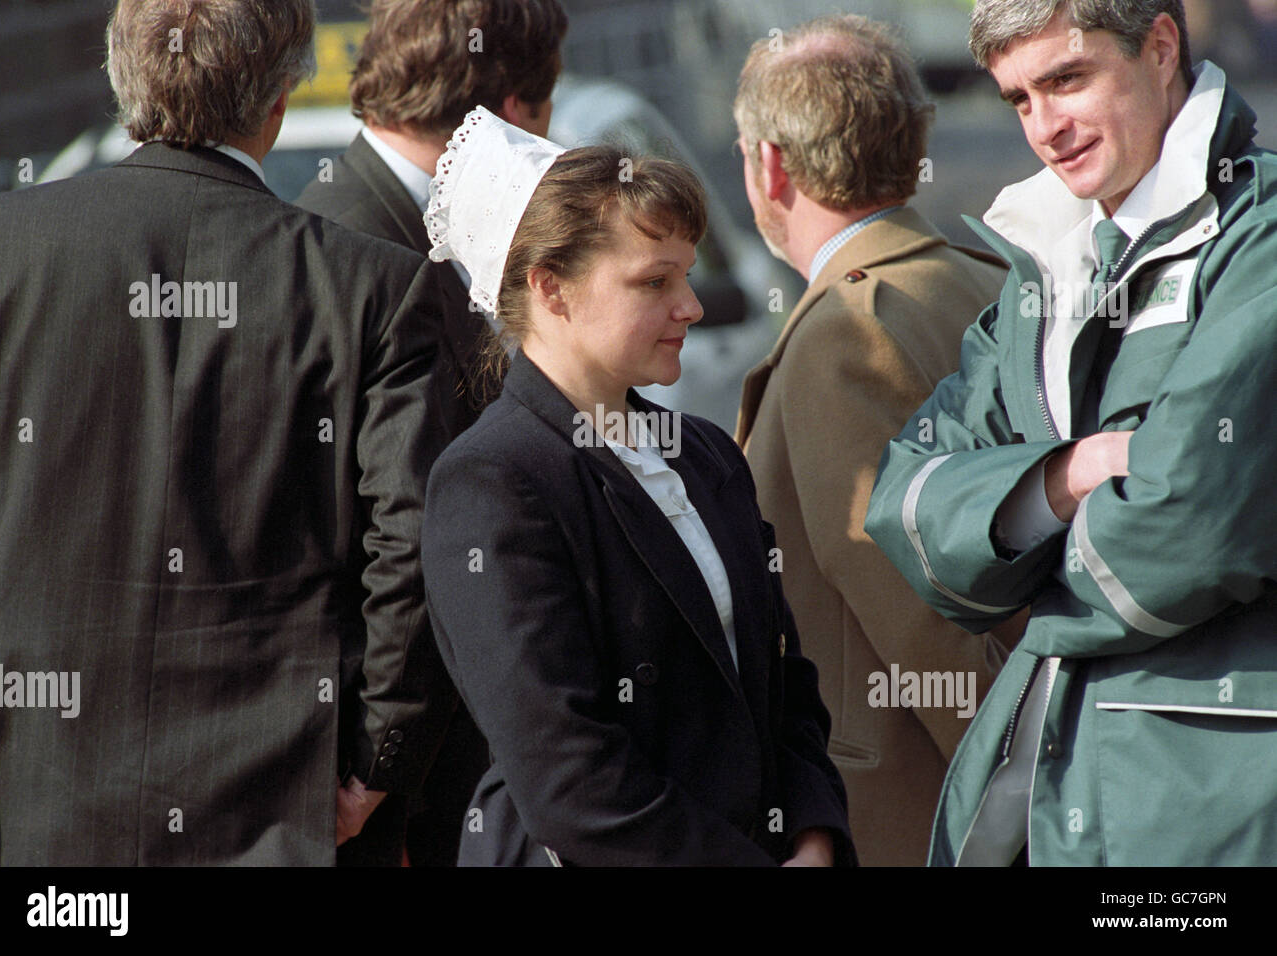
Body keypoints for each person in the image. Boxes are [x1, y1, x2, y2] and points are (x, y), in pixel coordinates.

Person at [0, 0, 452, 864]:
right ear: (279, 102)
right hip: (282, 815)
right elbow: (417, 547)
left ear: (123, 84)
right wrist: (378, 762)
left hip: (38, 810)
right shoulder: (372, 289)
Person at [865, 0, 1277, 865]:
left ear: (1160, 47)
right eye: (1019, 98)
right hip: (1049, 797)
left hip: (1209, 817)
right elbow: (902, 503)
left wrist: (1017, 553)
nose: (1045, 128)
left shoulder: (1261, 239)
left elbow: (1179, 540)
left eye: (1066, 80)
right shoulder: (1047, 264)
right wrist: (1072, 474)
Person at [419, 107, 856, 866]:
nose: (689, 306)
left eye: (686, 275)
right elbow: (570, 779)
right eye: (653, 281)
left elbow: (785, 685)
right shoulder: (493, 483)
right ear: (550, 289)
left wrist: (814, 836)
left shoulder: (704, 455)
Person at [731, 14, 1017, 866]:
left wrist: (1019, 780)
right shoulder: (990, 278)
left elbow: (907, 596)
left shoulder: (841, 334)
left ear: (769, 166)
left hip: (905, 807)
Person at [295, 0, 566, 868]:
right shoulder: (349, 246)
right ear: (514, 112)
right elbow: (386, 535)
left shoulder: (388, 228)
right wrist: (381, 769)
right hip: (388, 793)